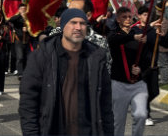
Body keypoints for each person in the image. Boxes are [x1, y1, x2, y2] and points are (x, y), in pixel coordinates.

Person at [18, 8, 114, 136]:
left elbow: (105, 105)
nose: (78, 27)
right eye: (73, 22)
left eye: (82, 23)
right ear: (62, 26)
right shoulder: (42, 57)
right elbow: (28, 103)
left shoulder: (96, 58)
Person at [108, 6, 153, 136]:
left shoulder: (138, 36)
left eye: (130, 17)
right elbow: (115, 40)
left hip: (138, 84)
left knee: (141, 115)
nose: (128, 19)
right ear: (118, 19)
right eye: (124, 17)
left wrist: (141, 68)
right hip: (119, 83)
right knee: (118, 121)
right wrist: (133, 38)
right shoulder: (113, 35)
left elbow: (147, 58)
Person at [8, 4, 29, 74]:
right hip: (18, 40)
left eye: (24, 9)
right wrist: (20, 15)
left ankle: (26, 71)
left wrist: (27, 29)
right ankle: (20, 72)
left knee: (27, 57)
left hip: (27, 40)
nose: (23, 10)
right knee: (20, 56)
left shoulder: (28, 18)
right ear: (19, 10)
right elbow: (10, 20)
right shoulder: (17, 18)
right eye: (22, 9)